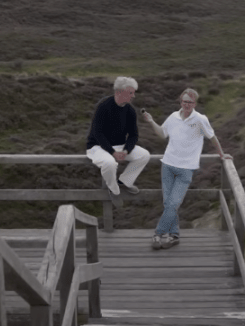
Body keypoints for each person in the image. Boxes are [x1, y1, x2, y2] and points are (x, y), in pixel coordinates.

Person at [142, 88, 229, 249]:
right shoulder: (173, 117)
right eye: (184, 101)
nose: (187, 104)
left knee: (173, 203)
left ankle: (158, 233)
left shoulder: (200, 119)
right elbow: (162, 134)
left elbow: (212, 137)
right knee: (168, 203)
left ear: (195, 103)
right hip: (168, 165)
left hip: (186, 168)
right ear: (180, 102)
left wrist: (222, 155)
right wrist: (151, 121)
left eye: (190, 102)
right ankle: (173, 236)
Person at [86, 76, 151, 208]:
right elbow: (98, 133)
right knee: (109, 163)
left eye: (133, 93)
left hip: (120, 146)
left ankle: (124, 182)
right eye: (130, 93)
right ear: (119, 92)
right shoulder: (103, 106)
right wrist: (112, 152)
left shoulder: (130, 110)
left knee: (144, 155)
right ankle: (114, 191)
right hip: (97, 147)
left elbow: (133, 135)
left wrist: (126, 150)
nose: (133, 96)